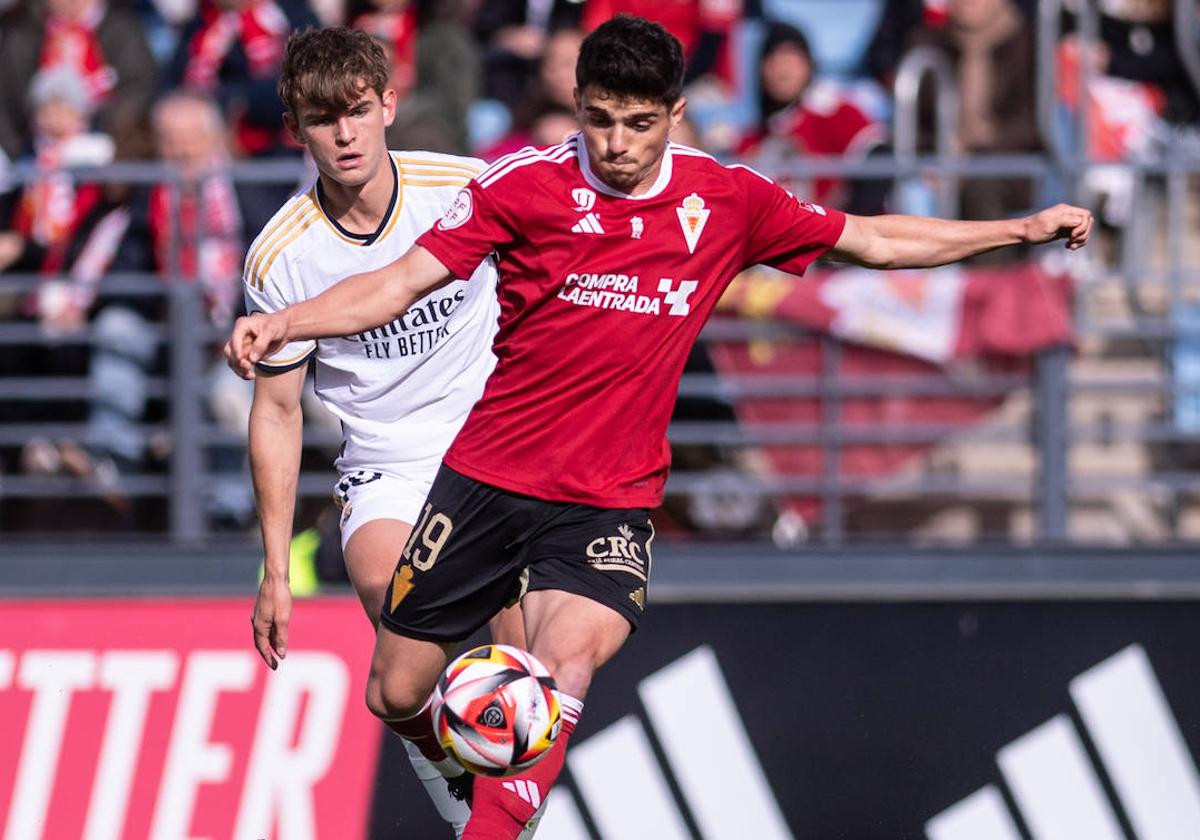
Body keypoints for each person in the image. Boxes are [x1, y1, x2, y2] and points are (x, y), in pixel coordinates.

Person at [226, 15, 1092, 839]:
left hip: (608, 499)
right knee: (396, 689)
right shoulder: (523, 187)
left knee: (557, 673)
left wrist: (1016, 228)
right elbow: (394, 286)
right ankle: (479, 785)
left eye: (639, 124)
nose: (618, 145)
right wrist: (289, 322)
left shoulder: (727, 200)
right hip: (485, 475)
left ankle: (486, 825)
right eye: (599, 121)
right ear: (578, 108)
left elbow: (872, 239)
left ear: (676, 115)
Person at [237, 27, 523, 837]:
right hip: (386, 465)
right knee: (390, 616)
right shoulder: (280, 259)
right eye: (324, 119)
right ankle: (444, 768)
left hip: (493, 442)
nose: (346, 133)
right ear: (296, 129)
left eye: (359, 111)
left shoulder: (463, 188)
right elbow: (280, 412)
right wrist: (275, 571)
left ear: (389, 105)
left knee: (519, 645)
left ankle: (511, 805)